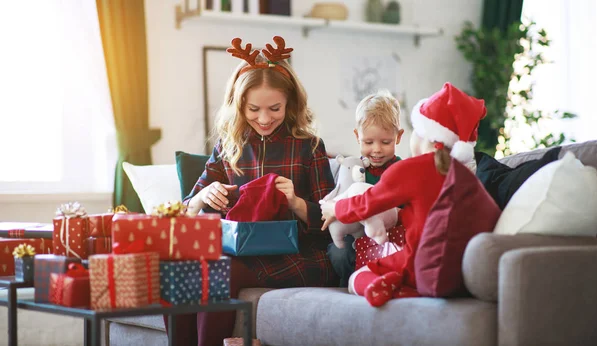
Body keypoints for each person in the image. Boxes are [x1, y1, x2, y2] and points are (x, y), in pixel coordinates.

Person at [169, 36, 338, 346]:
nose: (264, 118)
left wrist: (297, 203)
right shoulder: (228, 146)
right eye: (253, 109)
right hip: (241, 251)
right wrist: (204, 197)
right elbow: (185, 210)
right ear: (238, 105)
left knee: (221, 273)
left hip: (296, 255)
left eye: (274, 108)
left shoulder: (309, 147)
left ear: (290, 104)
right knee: (182, 272)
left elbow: (334, 224)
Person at [321, 82, 487, 307]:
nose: (377, 148)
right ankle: (402, 287)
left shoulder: (412, 168)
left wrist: (334, 208)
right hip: (457, 272)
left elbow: (369, 202)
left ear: (424, 136)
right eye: (369, 142)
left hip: (415, 260)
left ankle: (391, 290)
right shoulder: (465, 178)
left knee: (358, 277)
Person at [326, 89, 405, 287]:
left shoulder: (402, 170)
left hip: (387, 238)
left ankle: (380, 281)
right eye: (368, 142)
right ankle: (348, 285)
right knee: (337, 252)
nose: (377, 150)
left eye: (385, 142)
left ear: (398, 137)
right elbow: (340, 195)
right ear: (357, 136)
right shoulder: (352, 168)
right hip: (354, 237)